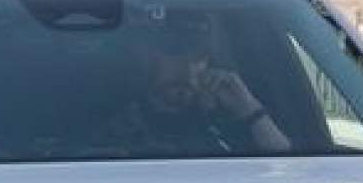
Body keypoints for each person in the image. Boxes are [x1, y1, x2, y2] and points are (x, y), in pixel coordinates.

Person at [113, 27, 291, 157]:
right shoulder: (116, 115)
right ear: (148, 59)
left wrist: (250, 109)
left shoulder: (225, 117)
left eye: (198, 59)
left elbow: (286, 167)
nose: (188, 72)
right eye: (177, 59)